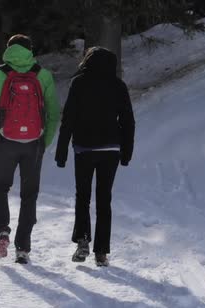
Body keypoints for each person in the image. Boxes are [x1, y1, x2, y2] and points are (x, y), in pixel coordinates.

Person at [0, 34, 60, 264]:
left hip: (6, 142)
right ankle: (23, 248)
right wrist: (43, 142)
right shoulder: (42, 74)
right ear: (30, 50)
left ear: (9, 49)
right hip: (33, 143)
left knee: (0, 188)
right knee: (29, 195)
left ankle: (2, 230)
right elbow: (54, 113)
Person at [55, 47, 135, 267]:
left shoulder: (79, 83)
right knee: (104, 199)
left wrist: (61, 151)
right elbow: (128, 121)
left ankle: (82, 241)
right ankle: (101, 252)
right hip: (110, 149)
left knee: (83, 196)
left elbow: (68, 119)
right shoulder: (118, 86)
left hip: (84, 148)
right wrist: (127, 152)